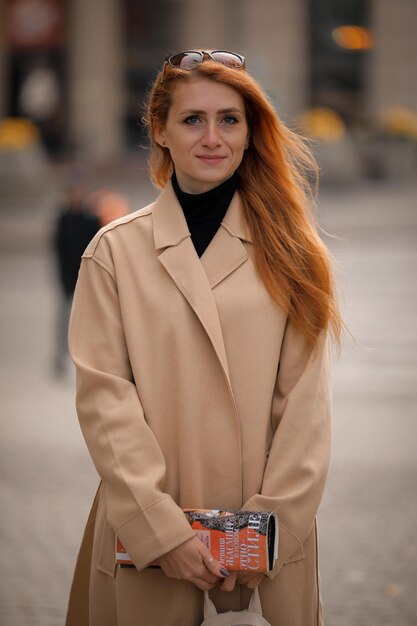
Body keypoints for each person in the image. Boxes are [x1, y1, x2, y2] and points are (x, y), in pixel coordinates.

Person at [66, 50, 342, 626]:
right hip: (149, 541)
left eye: (229, 119)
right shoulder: (114, 252)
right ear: (160, 132)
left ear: (250, 133)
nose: (212, 137)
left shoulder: (294, 253)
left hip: (266, 551)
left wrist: (271, 531)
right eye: (193, 120)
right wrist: (158, 528)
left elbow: (307, 409)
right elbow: (104, 400)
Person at [53, 180, 100, 376]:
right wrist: (62, 278)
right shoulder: (62, 219)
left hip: (87, 277)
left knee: (92, 321)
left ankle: (91, 360)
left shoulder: (91, 219)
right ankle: (61, 359)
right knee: (64, 320)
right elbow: (58, 250)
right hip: (67, 278)